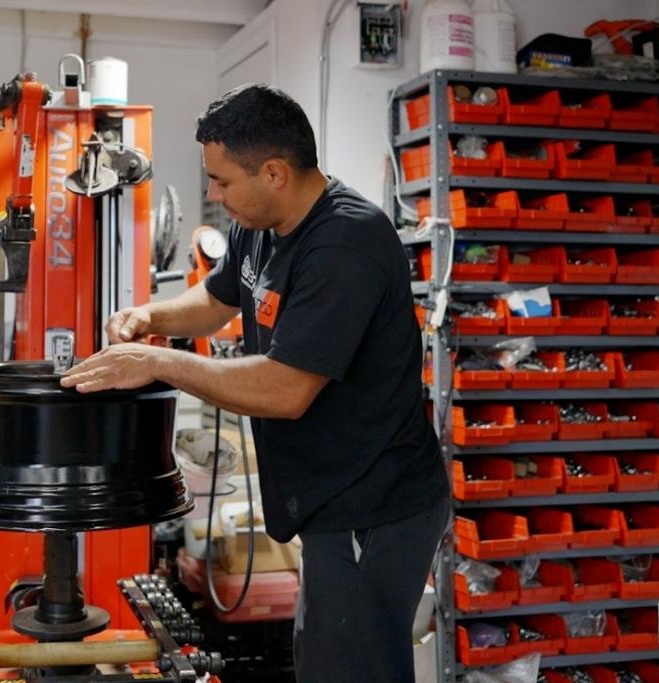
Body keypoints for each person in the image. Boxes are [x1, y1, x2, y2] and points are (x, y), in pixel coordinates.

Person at [60, 83, 449, 682]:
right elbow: (217, 301)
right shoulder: (259, 223)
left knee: (355, 668)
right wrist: (150, 318)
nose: (213, 195)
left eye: (221, 181)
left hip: (375, 504)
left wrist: (159, 362)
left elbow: (285, 390)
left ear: (273, 172)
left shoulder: (346, 244)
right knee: (324, 661)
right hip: (329, 498)